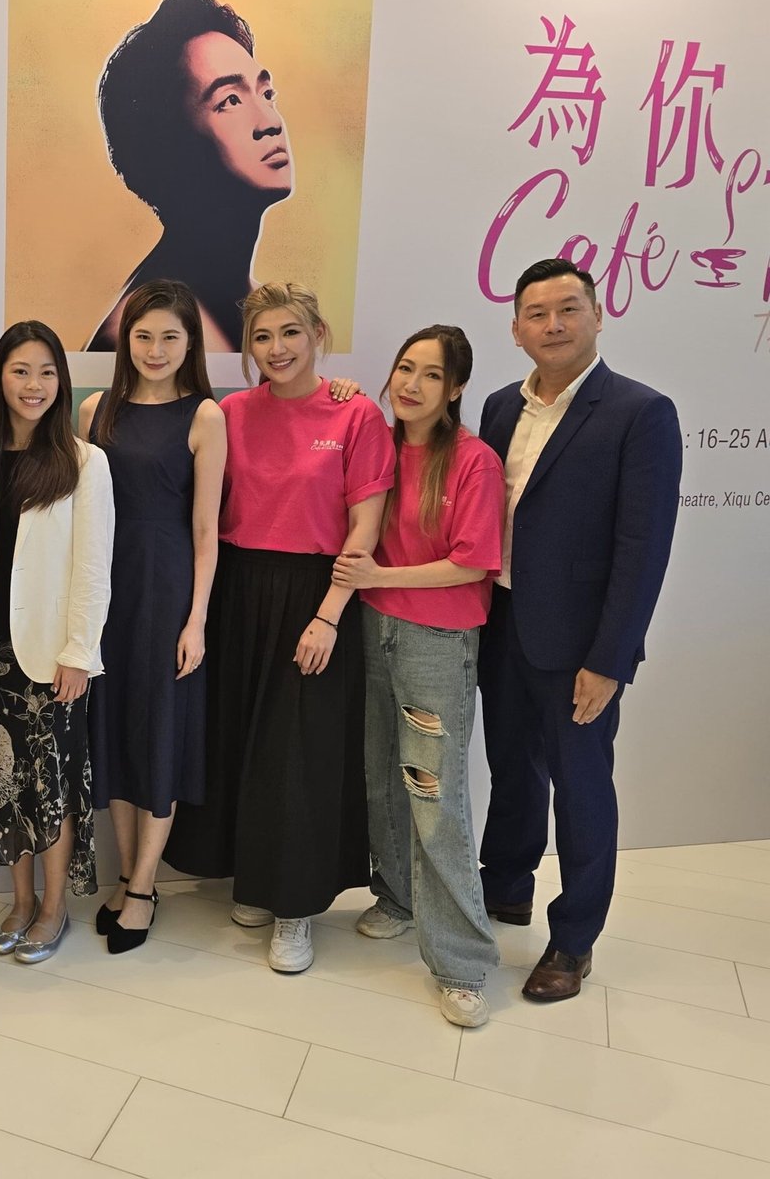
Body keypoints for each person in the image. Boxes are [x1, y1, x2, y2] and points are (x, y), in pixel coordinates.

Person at [165, 282, 393, 973]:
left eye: (290, 332)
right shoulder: (231, 413)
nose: (276, 348)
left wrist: (328, 614)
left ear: (317, 334)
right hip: (238, 587)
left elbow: (366, 526)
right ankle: (252, 879)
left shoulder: (356, 414)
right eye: (262, 337)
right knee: (242, 739)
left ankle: (295, 907)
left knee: (299, 752)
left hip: (315, 593)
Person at [476, 258, 683, 1002]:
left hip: (581, 645)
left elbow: (642, 548)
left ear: (598, 315)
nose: (553, 324)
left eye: (568, 309)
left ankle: (573, 939)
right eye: (537, 313)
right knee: (510, 766)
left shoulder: (640, 412)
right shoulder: (499, 406)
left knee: (582, 786)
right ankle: (506, 886)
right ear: (516, 329)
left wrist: (611, 659)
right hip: (500, 622)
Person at [331, 326, 503, 1026]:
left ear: (455, 388)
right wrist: (341, 392)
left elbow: (472, 562)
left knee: (434, 796)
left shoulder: (473, 460)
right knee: (381, 777)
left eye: (431, 375)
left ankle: (462, 963)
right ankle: (398, 899)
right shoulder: (376, 442)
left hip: (437, 641)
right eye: (406, 368)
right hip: (374, 632)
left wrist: (379, 577)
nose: (412, 384)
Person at [79, 279, 225, 954]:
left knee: (159, 730)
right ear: (125, 340)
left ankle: (143, 885)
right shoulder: (94, 411)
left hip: (166, 592)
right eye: (143, 336)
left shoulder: (205, 416)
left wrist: (196, 620)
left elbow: (206, 531)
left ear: (190, 343)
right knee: (116, 732)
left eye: (170, 336)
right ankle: (128, 875)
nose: (156, 349)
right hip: (105, 592)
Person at [0, 321, 114, 963]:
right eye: (20, 371)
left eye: (47, 372)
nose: (34, 385)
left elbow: (93, 568)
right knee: (3, 781)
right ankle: (19, 901)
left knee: (51, 782)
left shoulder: (84, 462)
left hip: (51, 655)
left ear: (62, 381)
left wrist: (79, 653)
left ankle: (53, 908)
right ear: (0, 376)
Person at [87, 0, 293, 353]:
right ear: (169, 142)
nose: (270, 123)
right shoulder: (132, 335)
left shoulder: (260, 306)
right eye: (230, 100)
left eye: (266, 94)